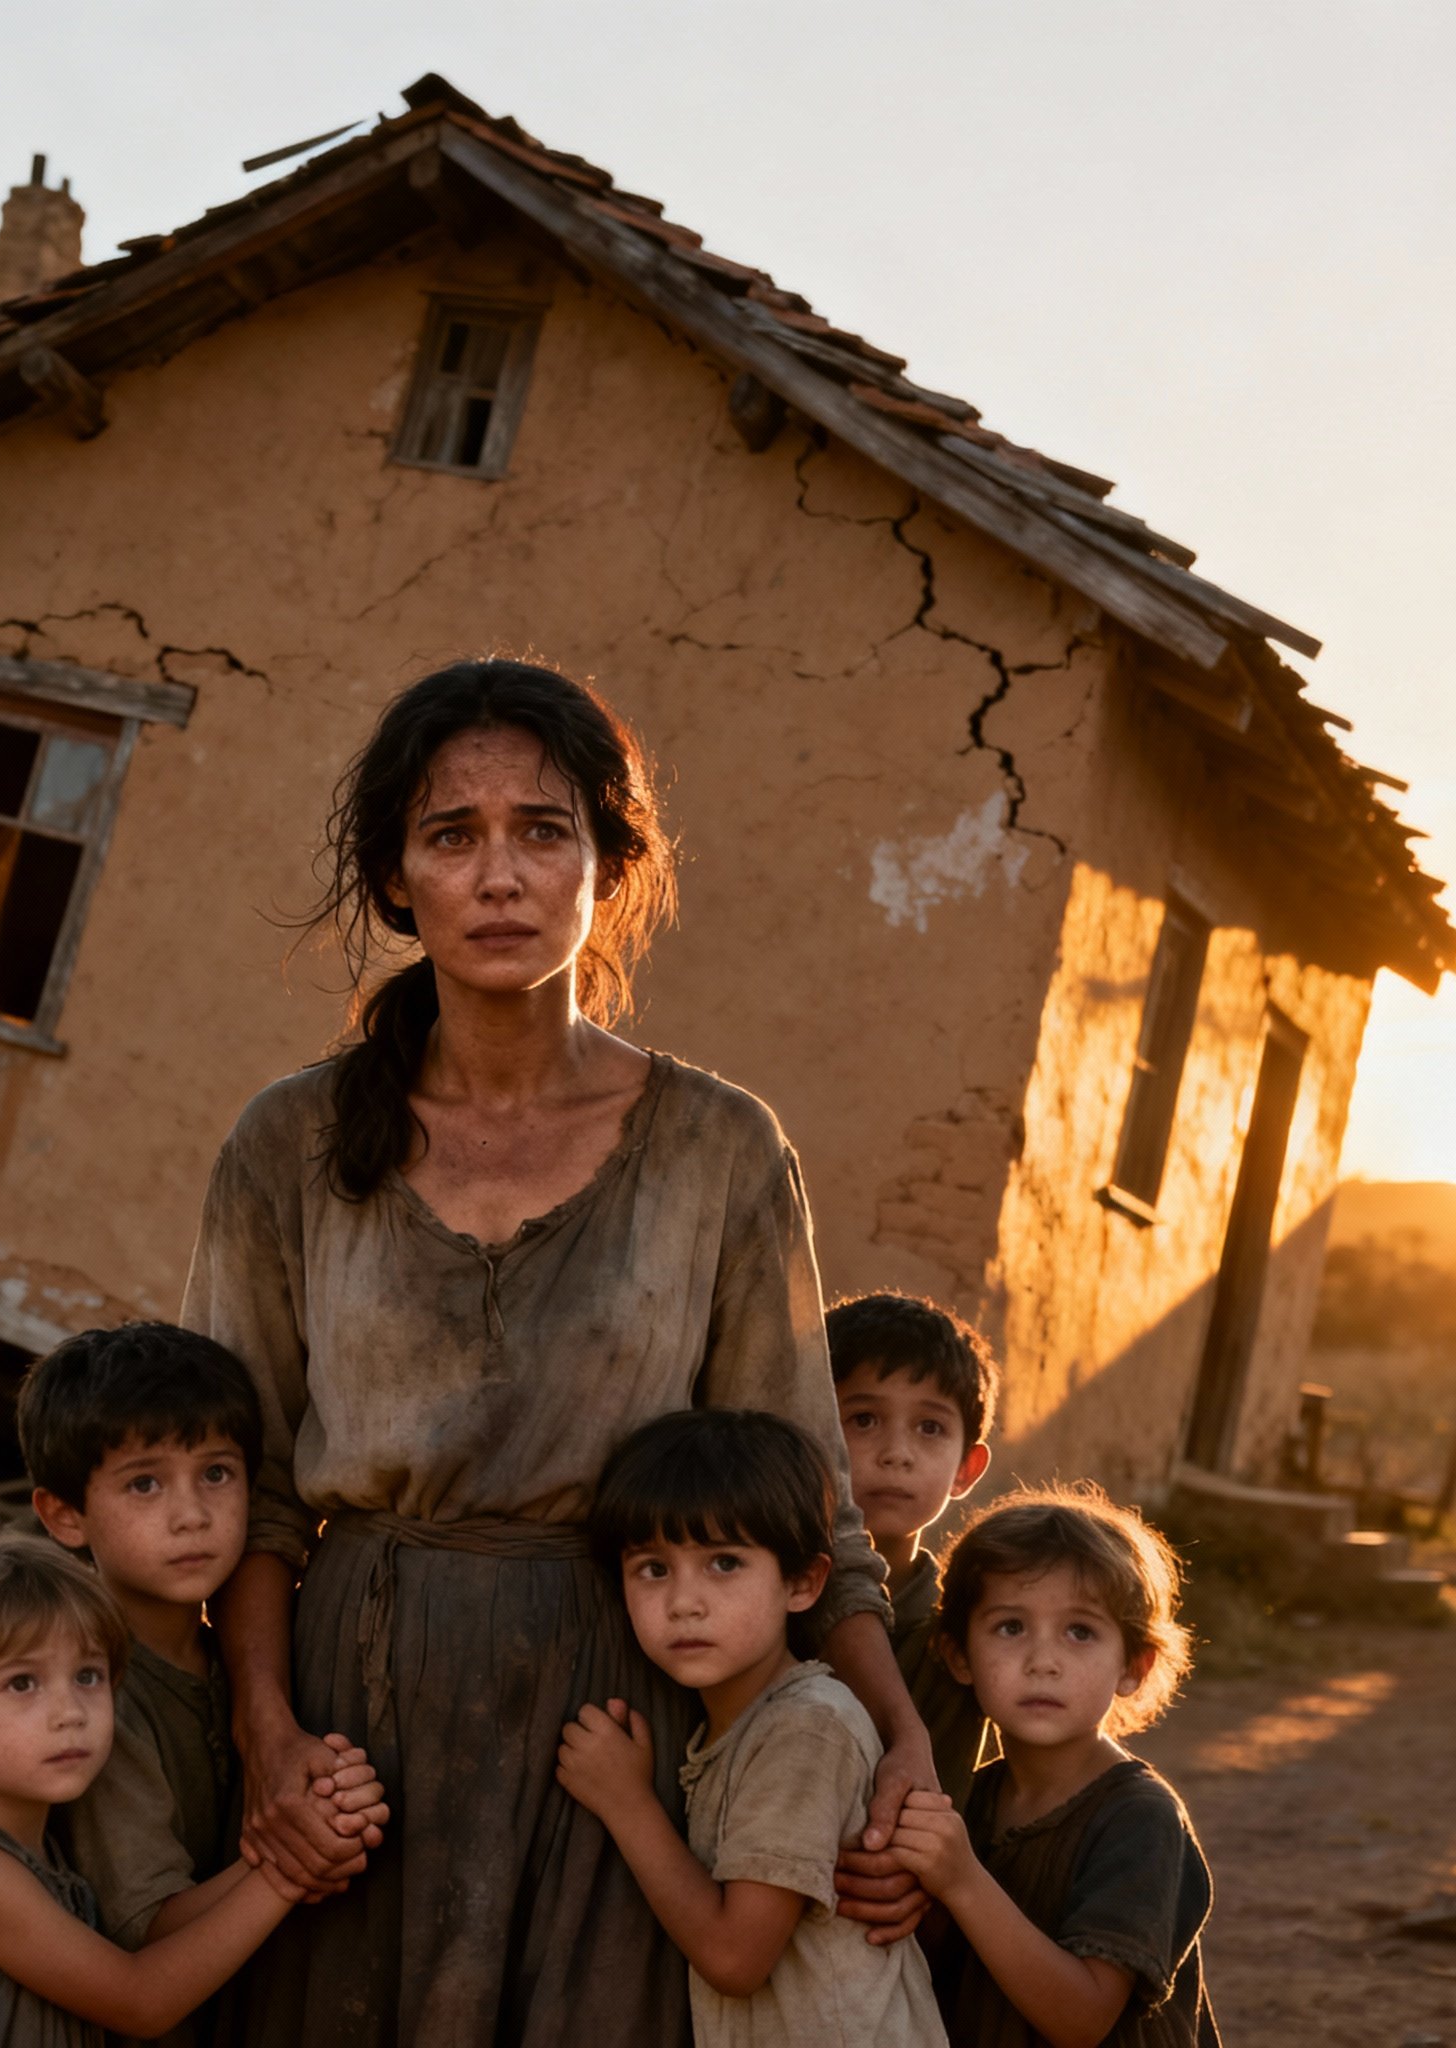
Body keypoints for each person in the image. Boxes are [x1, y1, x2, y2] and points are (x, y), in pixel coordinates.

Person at [182, 659, 934, 2047]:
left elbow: (810, 1491)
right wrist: (268, 1738)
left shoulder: (719, 1146)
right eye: (451, 835)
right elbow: (251, 1490)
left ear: (610, 865)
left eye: (543, 831)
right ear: (397, 880)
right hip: (359, 1718)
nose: (500, 876)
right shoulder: (287, 1142)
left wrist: (907, 1748)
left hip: (621, 1728)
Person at [0, 1536, 379, 2047]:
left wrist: (303, 1831)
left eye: (88, 1676)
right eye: (22, 1683)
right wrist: (289, 1875)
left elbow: (157, 1942)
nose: (70, 1713)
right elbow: (141, 2000)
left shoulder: (36, 1850)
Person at [19, 1322, 387, 2044]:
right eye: (145, 1483)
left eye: (216, 1473)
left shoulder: (247, 1665)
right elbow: (147, 1930)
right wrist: (307, 1846)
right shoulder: (93, 1701)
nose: (192, 1515)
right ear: (64, 1514)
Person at [556, 1409, 947, 2048]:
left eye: (724, 1564)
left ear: (802, 1582)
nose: (684, 1601)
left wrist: (625, 1803)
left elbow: (737, 1958)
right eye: (653, 1568)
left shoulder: (806, 1730)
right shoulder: (738, 1725)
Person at [887, 1484, 1220, 2048]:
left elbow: (1083, 2018)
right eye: (1011, 1627)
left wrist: (962, 1880)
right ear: (958, 1655)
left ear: (1133, 1665)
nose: (1043, 1662)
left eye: (1080, 1632)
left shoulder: (1140, 1818)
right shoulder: (973, 1798)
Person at [828, 1292, 997, 1807]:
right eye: (863, 1420)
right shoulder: (762, 1597)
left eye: (930, 1428)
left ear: (966, 1470)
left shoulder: (955, 1645)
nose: (896, 1454)